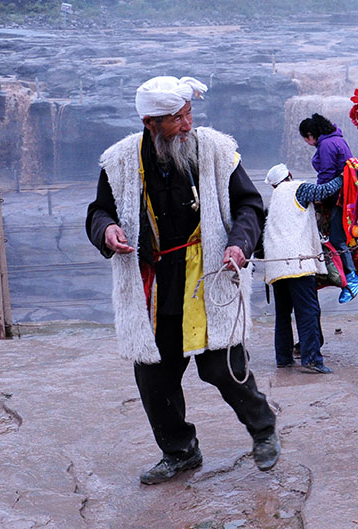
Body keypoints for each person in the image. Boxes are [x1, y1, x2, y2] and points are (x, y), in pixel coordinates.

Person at [85, 75, 280, 485]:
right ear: (150, 122)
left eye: (189, 114)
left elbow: (249, 205)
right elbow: (98, 211)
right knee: (154, 378)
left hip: (208, 274)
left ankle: (263, 432)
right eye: (177, 119)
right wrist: (106, 231)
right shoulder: (119, 161)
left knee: (222, 368)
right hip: (154, 286)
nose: (188, 125)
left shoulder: (217, 151)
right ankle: (180, 451)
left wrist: (239, 243)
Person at [263, 163, 342, 374]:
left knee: (282, 314)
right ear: (289, 175)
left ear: (273, 185)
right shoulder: (297, 188)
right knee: (308, 311)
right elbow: (324, 191)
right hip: (297, 263)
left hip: (276, 267)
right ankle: (312, 359)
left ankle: (284, 358)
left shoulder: (274, 200)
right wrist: (343, 176)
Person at [298, 113, 358, 304]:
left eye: (306, 138)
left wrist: (318, 197)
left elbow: (326, 176)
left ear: (311, 134)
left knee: (337, 239)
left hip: (340, 200)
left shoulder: (326, 145)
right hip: (345, 197)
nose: (307, 142)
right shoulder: (337, 139)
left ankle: (351, 278)